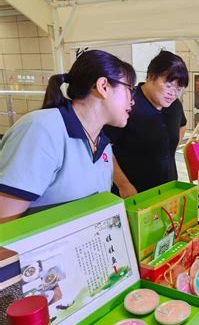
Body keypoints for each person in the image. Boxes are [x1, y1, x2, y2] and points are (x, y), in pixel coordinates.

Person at [0, 50, 136, 223]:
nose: (132, 100)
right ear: (103, 86)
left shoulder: (103, 145)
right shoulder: (41, 130)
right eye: (129, 89)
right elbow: (4, 225)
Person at [105, 50, 189, 197]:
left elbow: (182, 125)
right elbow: (104, 148)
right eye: (168, 86)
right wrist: (123, 185)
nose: (173, 93)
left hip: (168, 187)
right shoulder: (128, 103)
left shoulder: (175, 105)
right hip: (134, 191)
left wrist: (168, 149)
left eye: (179, 89)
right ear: (150, 77)